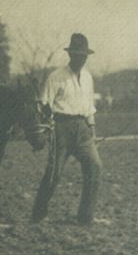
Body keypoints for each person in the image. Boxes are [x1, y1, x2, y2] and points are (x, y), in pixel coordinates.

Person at [31, 33, 102, 225]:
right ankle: (38, 215)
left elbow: (89, 107)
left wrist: (92, 129)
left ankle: (86, 216)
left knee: (95, 166)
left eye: (85, 54)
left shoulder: (88, 77)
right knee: (54, 173)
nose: (82, 57)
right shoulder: (56, 76)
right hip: (61, 128)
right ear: (71, 55)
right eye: (78, 54)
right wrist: (47, 127)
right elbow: (44, 104)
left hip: (82, 129)